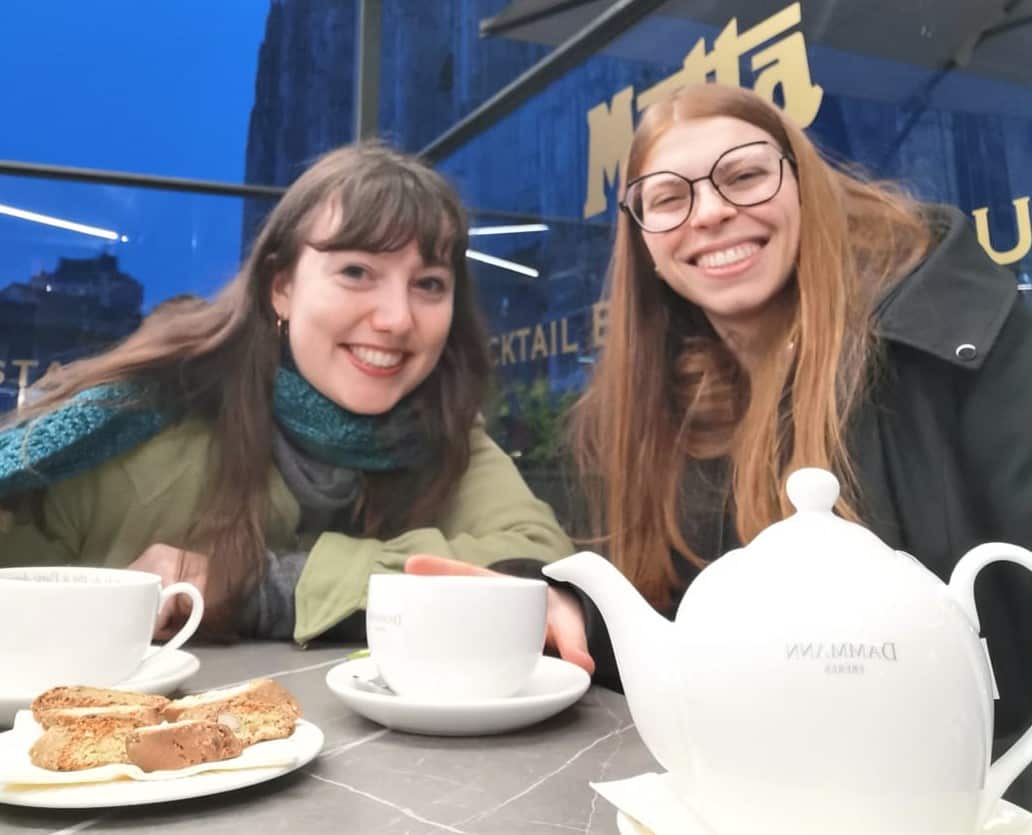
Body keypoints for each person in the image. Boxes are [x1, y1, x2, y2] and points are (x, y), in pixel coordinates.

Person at [0, 143, 589, 669]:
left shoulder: (442, 426)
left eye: (428, 283)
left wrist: (259, 586)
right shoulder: (141, 429)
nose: (397, 318)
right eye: (356, 271)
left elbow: (537, 560)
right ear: (281, 287)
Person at [569, 82, 1032, 740]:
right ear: (644, 242)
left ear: (803, 186)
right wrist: (571, 608)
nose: (710, 212)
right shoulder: (666, 413)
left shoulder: (955, 342)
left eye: (745, 176)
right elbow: (682, 641)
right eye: (669, 198)